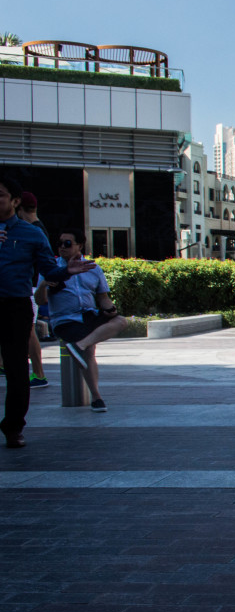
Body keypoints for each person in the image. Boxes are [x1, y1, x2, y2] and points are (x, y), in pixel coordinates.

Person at [0, 176, 97, 447]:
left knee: (17, 368)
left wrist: (67, 270)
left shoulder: (31, 234)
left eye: (0, 195)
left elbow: (48, 270)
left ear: (15, 201)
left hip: (14, 305)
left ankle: (13, 428)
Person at [35, 229, 125, 413]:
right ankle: (97, 397)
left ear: (79, 246)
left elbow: (103, 297)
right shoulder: (50, 268)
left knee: (121, 321)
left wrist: (110, 308)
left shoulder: (93, 268)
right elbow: (39, 300)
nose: (62, 247)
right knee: (89, 352)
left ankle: (80, 345)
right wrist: (44, 284)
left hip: (89, 314)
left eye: (67, 243)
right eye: (59, 243)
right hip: (65, 319)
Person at [16, 192, 50, 389]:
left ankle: (39, 374)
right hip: (28, 286)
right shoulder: (38, 229)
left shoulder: (33, 231)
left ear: (19, 208)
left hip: (29, 287)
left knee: (28, 330)